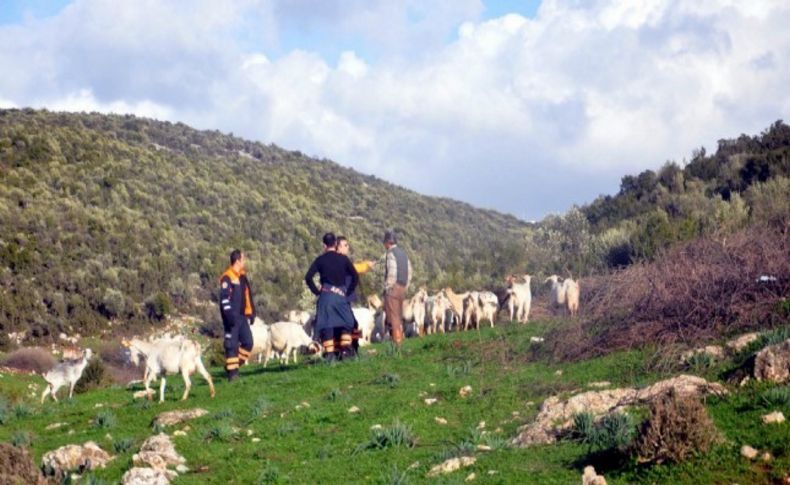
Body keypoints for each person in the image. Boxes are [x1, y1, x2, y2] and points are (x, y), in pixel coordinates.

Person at [305, 233, 359, 361]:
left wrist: (317, 292)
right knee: (348, 322)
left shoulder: (320, 260)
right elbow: (355, 276)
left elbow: (308, 278)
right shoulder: (343, 259)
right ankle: (345, 349)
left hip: (325, 296)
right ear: (335, 244)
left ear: (324, 245)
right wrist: (348, 291)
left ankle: (329, 354)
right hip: (340, 297)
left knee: (326, 324)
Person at [219, 249, 255, 381]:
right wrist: (229, 316)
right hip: (232, 318)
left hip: (242, 317)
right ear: (238, 261)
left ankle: (232, 366)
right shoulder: (227, 277)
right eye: (243, 259)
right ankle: (232, 374)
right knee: (231, 345)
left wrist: (251, 313)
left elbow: (247, 296)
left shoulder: (242, 277)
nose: (244, 261)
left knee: (248, 343)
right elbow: (224, 299)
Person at [336, 236, 376, 354]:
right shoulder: (340, 261)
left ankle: (348, 350)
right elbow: (354, 268)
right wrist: (366, 265)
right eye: (346, 245)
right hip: (343, 297)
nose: (348, 247)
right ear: (338, 247)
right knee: (350, 324)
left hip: (343, 297)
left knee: (349, 324)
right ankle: (348, 351)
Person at [382, 230, 411, 347]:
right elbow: (409, 272)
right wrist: (405, 287)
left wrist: (388, 287)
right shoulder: (404, 254)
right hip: (402, 288)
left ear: (388, 242)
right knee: (398, 316)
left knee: (393, 318)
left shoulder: (390, 254)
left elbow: (392, 271)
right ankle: (398, 343)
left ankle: (397, 346)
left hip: (393, 289)